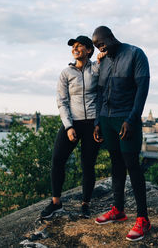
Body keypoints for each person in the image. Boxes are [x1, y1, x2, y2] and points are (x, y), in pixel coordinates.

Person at [92, 26, 151, 241]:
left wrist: (132, 119)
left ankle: (143, 219)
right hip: (107, 119)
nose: (100, 47)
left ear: (111, 36)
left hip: (127, 118)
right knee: (115, 163)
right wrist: (98, 122)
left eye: (101, 42)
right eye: (97, 46)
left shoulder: (135, 54)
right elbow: (100, 94)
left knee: (132, 165)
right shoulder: (104, 62)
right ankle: (118, 210)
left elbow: (142, 90)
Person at [40, 35, 105, 219]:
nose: (75, 49)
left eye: (79, 46)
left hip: (92, 123)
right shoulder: (66, 73)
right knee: (57, 159)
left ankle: (85, 204)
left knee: (88, 165)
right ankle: (56, 203)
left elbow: (102, 96)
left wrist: (98, 124)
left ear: (89, 50)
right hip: (73, 122)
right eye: (73, 47)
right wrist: (68, 126)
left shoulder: (96, 68)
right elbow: (62, 102)